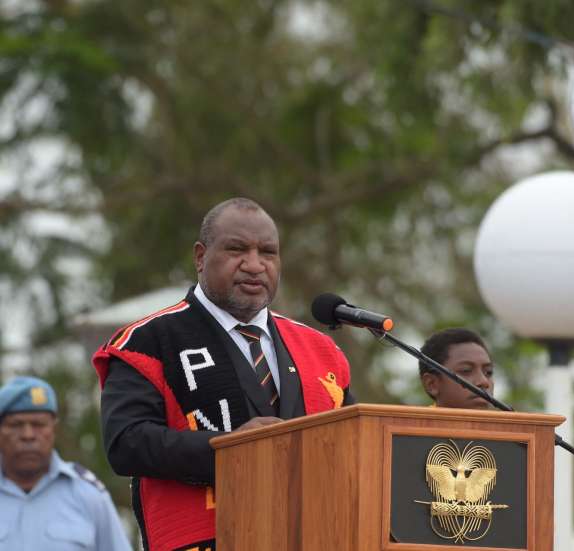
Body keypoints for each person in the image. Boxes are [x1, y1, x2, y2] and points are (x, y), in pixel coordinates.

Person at [93, 197, 354, 551]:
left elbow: (355, 446)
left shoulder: (320, 350)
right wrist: (230, 449)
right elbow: (126, 443)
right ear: (200, 257)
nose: (255, 265)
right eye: (237, 249)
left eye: (268, 252)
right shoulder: (147, 341)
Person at [0, 376, 132, 551]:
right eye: (16, 425)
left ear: (54, 429)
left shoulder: (88, 495)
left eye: (38, 424)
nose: (28, 435)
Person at [419, 328, 495, 410]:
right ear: (432, 384)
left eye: (488, 372)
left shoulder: (504, 417)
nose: (484, 382)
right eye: (466, 370)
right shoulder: (412, 418)